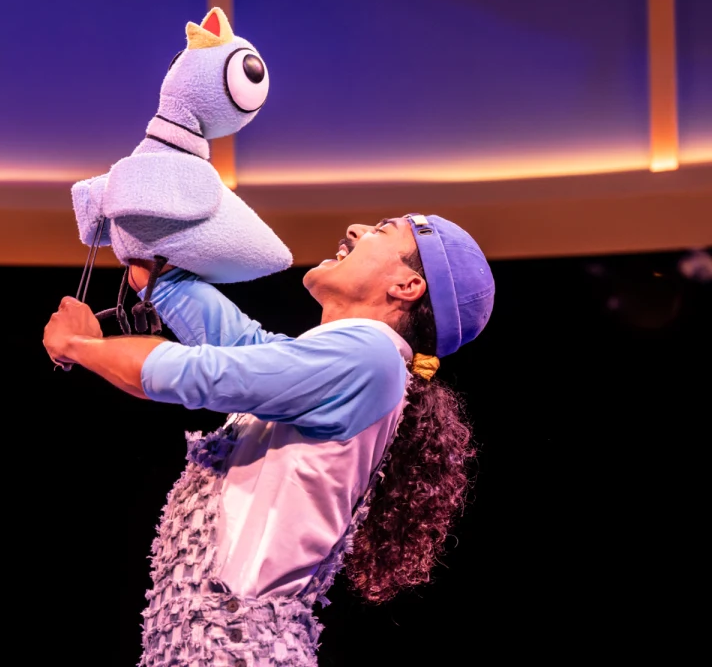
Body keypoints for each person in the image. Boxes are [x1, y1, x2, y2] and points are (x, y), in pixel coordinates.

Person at [43, 213, 495, 666]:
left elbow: (185, 372)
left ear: (407, 286)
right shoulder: (354, 360)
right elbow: (237, 339)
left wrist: (82, 345)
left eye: (381, 230)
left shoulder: (371, 355)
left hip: (237, 649)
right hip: (215, 645)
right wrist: (145, 247)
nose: (355, 230)